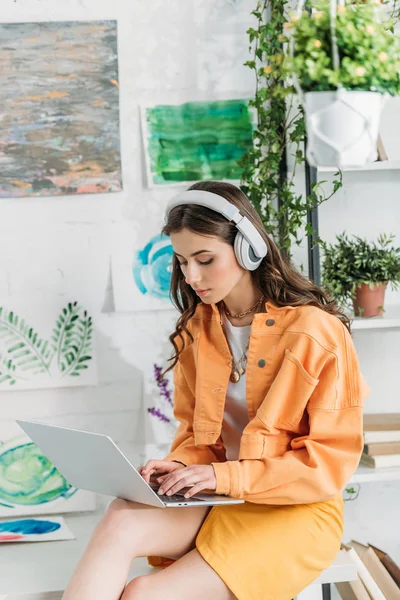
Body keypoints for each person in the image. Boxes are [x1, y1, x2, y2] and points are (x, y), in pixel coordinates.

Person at [62, 181, 369, 600]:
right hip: (220, 496)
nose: (191, 277)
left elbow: (327, 466)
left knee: (143, 594)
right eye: (183, 261)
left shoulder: (316, 333)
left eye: (205, 260)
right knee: (119, 518)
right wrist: (177, 466)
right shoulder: (197, 330)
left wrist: (220, 475)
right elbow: (197, 439)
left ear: (248, 250)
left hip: (294, 510)